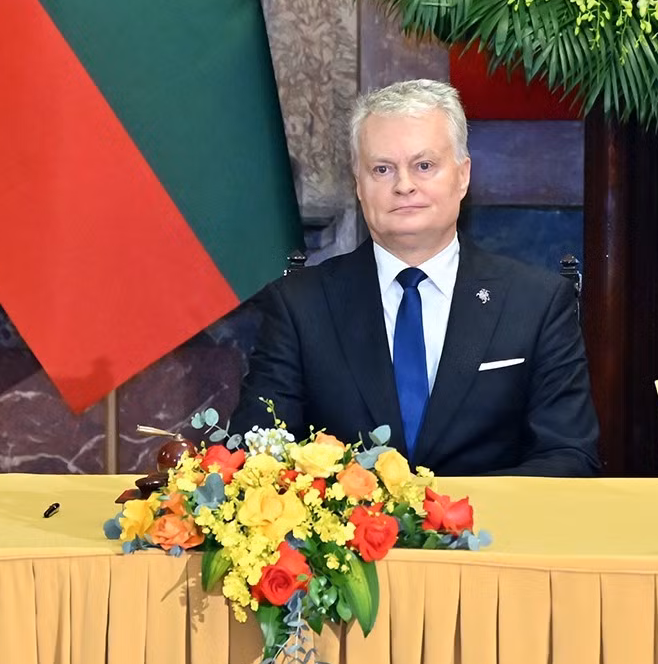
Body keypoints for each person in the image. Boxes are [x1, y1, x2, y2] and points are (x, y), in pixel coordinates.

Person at [230, 79, 599, 476]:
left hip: (493, 517)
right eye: (382, 169)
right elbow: (257, 459)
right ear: (358, 184)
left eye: (424, 166)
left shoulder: (536, 303)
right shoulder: (300, 305)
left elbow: (569, 459)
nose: (404, 186)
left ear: (462, 175)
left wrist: (446, 507)